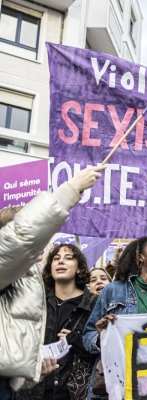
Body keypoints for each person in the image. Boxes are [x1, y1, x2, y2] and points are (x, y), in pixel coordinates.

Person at [0, 166, 104, 399]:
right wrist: (71, 189)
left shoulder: (24, 282)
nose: (43, 240)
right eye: (56, 257)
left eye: (68, 258)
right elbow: (23, 237)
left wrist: (29, 372)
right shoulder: (12, 272)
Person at [82, 237, 147, 399]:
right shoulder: (113, 290)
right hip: (116, 385)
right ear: (140, 256)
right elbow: (87, 336)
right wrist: (100, 337)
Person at [16, 244, 96, 400]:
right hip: (32, 392)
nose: (61, 262)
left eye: (68, 258)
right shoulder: (35, 302)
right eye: (56, 258)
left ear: (79, 268)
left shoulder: (93, 304)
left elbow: (105, 351)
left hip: (73, 393)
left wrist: (78, 342)